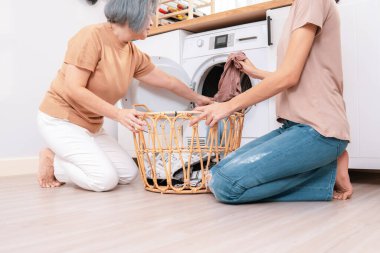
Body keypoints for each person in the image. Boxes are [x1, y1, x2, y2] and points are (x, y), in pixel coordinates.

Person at [37, 0, 212, 192]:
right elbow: (73, 89)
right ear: (134, 13)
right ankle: (52, 160)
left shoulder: (132, 54)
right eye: (149, 14)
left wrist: (198, 98)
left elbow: (168, 81)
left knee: (129, 174)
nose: (152, 22)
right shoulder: (91, 36)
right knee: (104, 180)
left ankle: (67, 157)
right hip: (61, 119)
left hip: (91, 126)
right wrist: (118, 114)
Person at [191, 0, 353, 204]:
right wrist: (255, 72)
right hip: (294, 127)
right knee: (216, 172)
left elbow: (289, 77)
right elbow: (297, 75)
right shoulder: (300, 6)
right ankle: (326, 164)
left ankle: (325, 176)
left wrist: (228, 106)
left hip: (319, 130)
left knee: (226, 186)